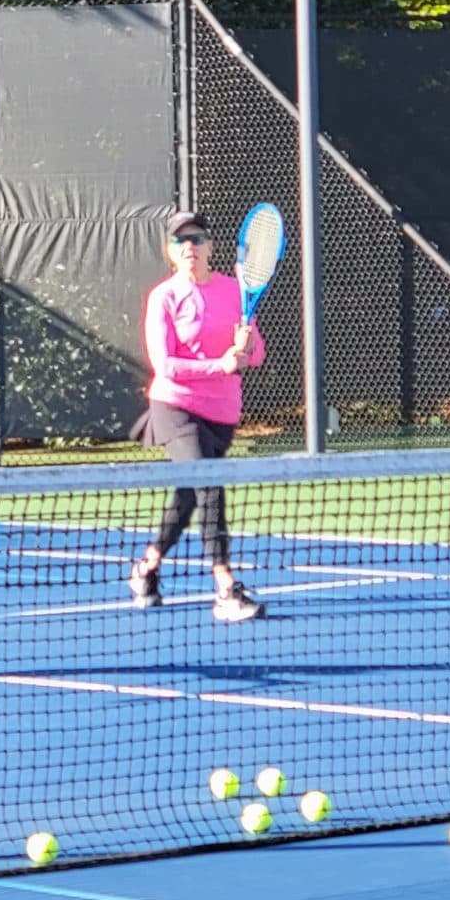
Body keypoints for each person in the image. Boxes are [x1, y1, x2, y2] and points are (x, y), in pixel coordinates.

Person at [130, 209, 266, 621]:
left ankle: (146, 567)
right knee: (208, 481)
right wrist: (219, 365)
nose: (189, 246)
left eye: (196, 239)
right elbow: (165, 365)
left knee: (189, 494)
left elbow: (257, 354)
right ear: (170, 252)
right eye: (180, 240)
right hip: (175, 405)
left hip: (221, 412)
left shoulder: (234, 291)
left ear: (210, 247)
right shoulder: (164, 297)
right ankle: (225, 588)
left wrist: (244, 349)